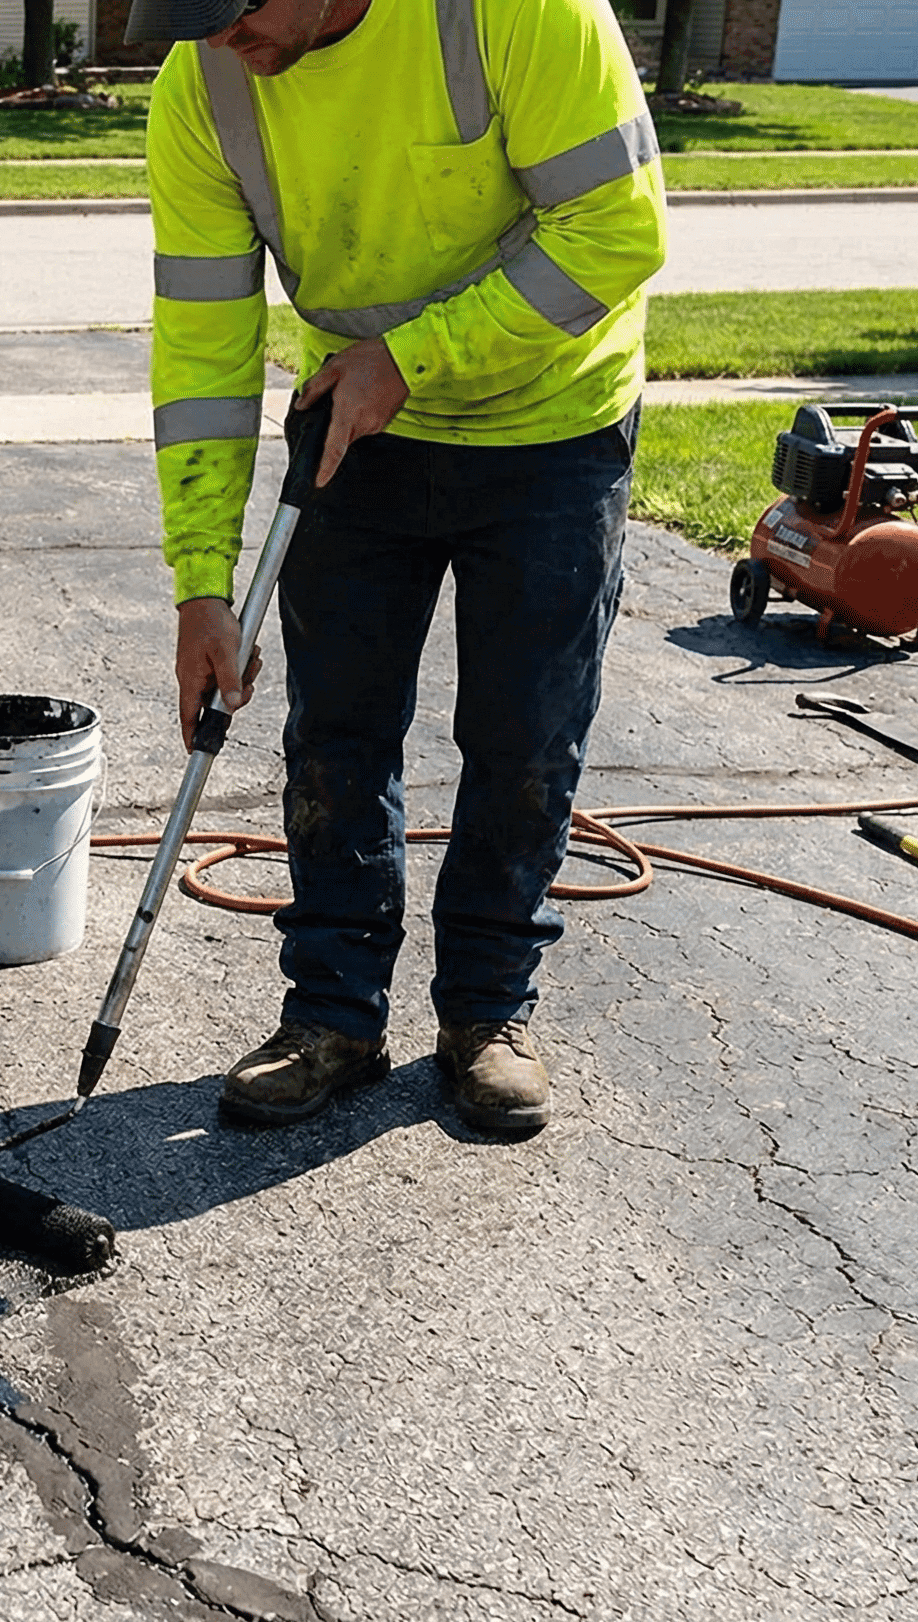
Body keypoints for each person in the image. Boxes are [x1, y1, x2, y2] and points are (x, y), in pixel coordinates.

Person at [130, 0, 667, 1134]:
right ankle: (333, 1013)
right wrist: (201, 584)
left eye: (235, 7)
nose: (221, 41)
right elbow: (204, 337)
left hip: (552, 427)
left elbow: (618, 230)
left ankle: (488, 1012)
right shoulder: (202, 83)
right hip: (355, 422)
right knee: (337, 730)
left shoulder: (519, 13)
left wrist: (415, 358)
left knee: (526, 735)